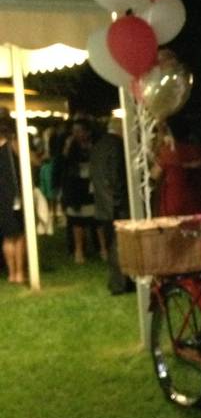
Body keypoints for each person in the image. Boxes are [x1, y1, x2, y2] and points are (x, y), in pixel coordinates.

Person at [90, 117, 133, 294]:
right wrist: (120, 199)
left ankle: (118, 281)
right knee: (119, 244)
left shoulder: (98, 144)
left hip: (102, 203)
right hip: (116, 204)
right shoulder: (116, 145)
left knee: (113, 243)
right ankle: (121, 283)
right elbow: (116, 176)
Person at [151, 114, 201, 216]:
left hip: (174, 205)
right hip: (200, 203)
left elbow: (154, 175)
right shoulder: (200, 151)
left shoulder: (167, 153)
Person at [62, 118, 96, 264]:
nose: (76, 134)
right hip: (76, 186)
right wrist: (67, 147)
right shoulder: (71, 146)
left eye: (79, 130)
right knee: (77, 220)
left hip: (91, 183)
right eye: (74, 131)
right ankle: (78, 250)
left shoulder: (93, 144)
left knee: (95, 218)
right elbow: (63, 162)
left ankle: (102, 248)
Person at [0, 118, 26, 284]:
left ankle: (11, 273)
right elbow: (29, 161)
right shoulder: (11, 147)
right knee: (19, 235)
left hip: (1, 196)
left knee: (7, 237)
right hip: (12, 194)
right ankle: (19, 273)